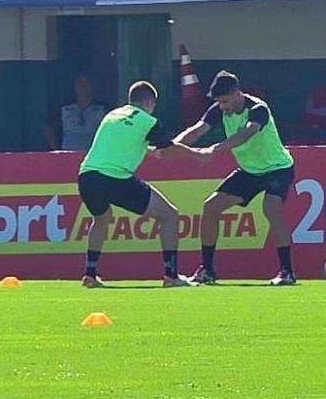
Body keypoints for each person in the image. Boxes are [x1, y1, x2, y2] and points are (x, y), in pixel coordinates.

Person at [77, 80, 211, 289]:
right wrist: (197, 155)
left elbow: (122, 145)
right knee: (170, 215)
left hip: (86, 177)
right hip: (114, 178)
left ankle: (90, 274)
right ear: (150, 103)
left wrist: (149, 151)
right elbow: (168, 150)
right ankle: (171, 275)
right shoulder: (148, 121)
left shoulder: (112, 115)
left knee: (102, 219)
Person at [174, 70, 298, 286]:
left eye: (225, 101)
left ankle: (287, 272)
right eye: (219, 103)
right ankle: (208, 270)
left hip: (277, 168)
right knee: (211, 206)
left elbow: (246, 134)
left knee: (271, 208)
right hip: (249, 171)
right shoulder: (219, 110)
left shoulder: (258, 109)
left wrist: (214, 149)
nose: (222, 107)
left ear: (236, 93)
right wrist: (170, 146)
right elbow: (195, 131)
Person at [47, 73, 106, 151]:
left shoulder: (102, 110)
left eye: (86, 82)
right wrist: (56, 150)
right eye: (79, 83)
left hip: (93, 156)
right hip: (68, 156)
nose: (83, 86)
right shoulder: (64, 109)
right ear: (74, 86)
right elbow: (48, 127)